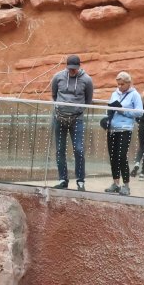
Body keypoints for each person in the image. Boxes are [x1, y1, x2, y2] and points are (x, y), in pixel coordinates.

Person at [50, 54, 93, 190]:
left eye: (74, 68)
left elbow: (88, 99)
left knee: (79, 149)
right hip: (59, 118)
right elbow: (54, 95)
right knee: (60, 149)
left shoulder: (87, 80)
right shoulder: (58, 77)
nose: (72, 71)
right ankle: (63, 179)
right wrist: (61, 108)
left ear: (79, 67)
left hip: (77, 119)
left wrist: (77, 110)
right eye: (70, 68)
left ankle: (80, 181)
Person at [104, 72, 143, 194]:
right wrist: (107, 118)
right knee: (113, 157)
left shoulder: (135, 95)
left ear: (128, 83)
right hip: (112, 129)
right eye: (118, 84)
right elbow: (110, 108)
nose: (120, 86)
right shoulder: (114, 93)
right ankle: (116, 183)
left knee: (121, 156)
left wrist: (124, 111)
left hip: (125, 129)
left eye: (122, 84)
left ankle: (126, 185)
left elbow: (139, 112)